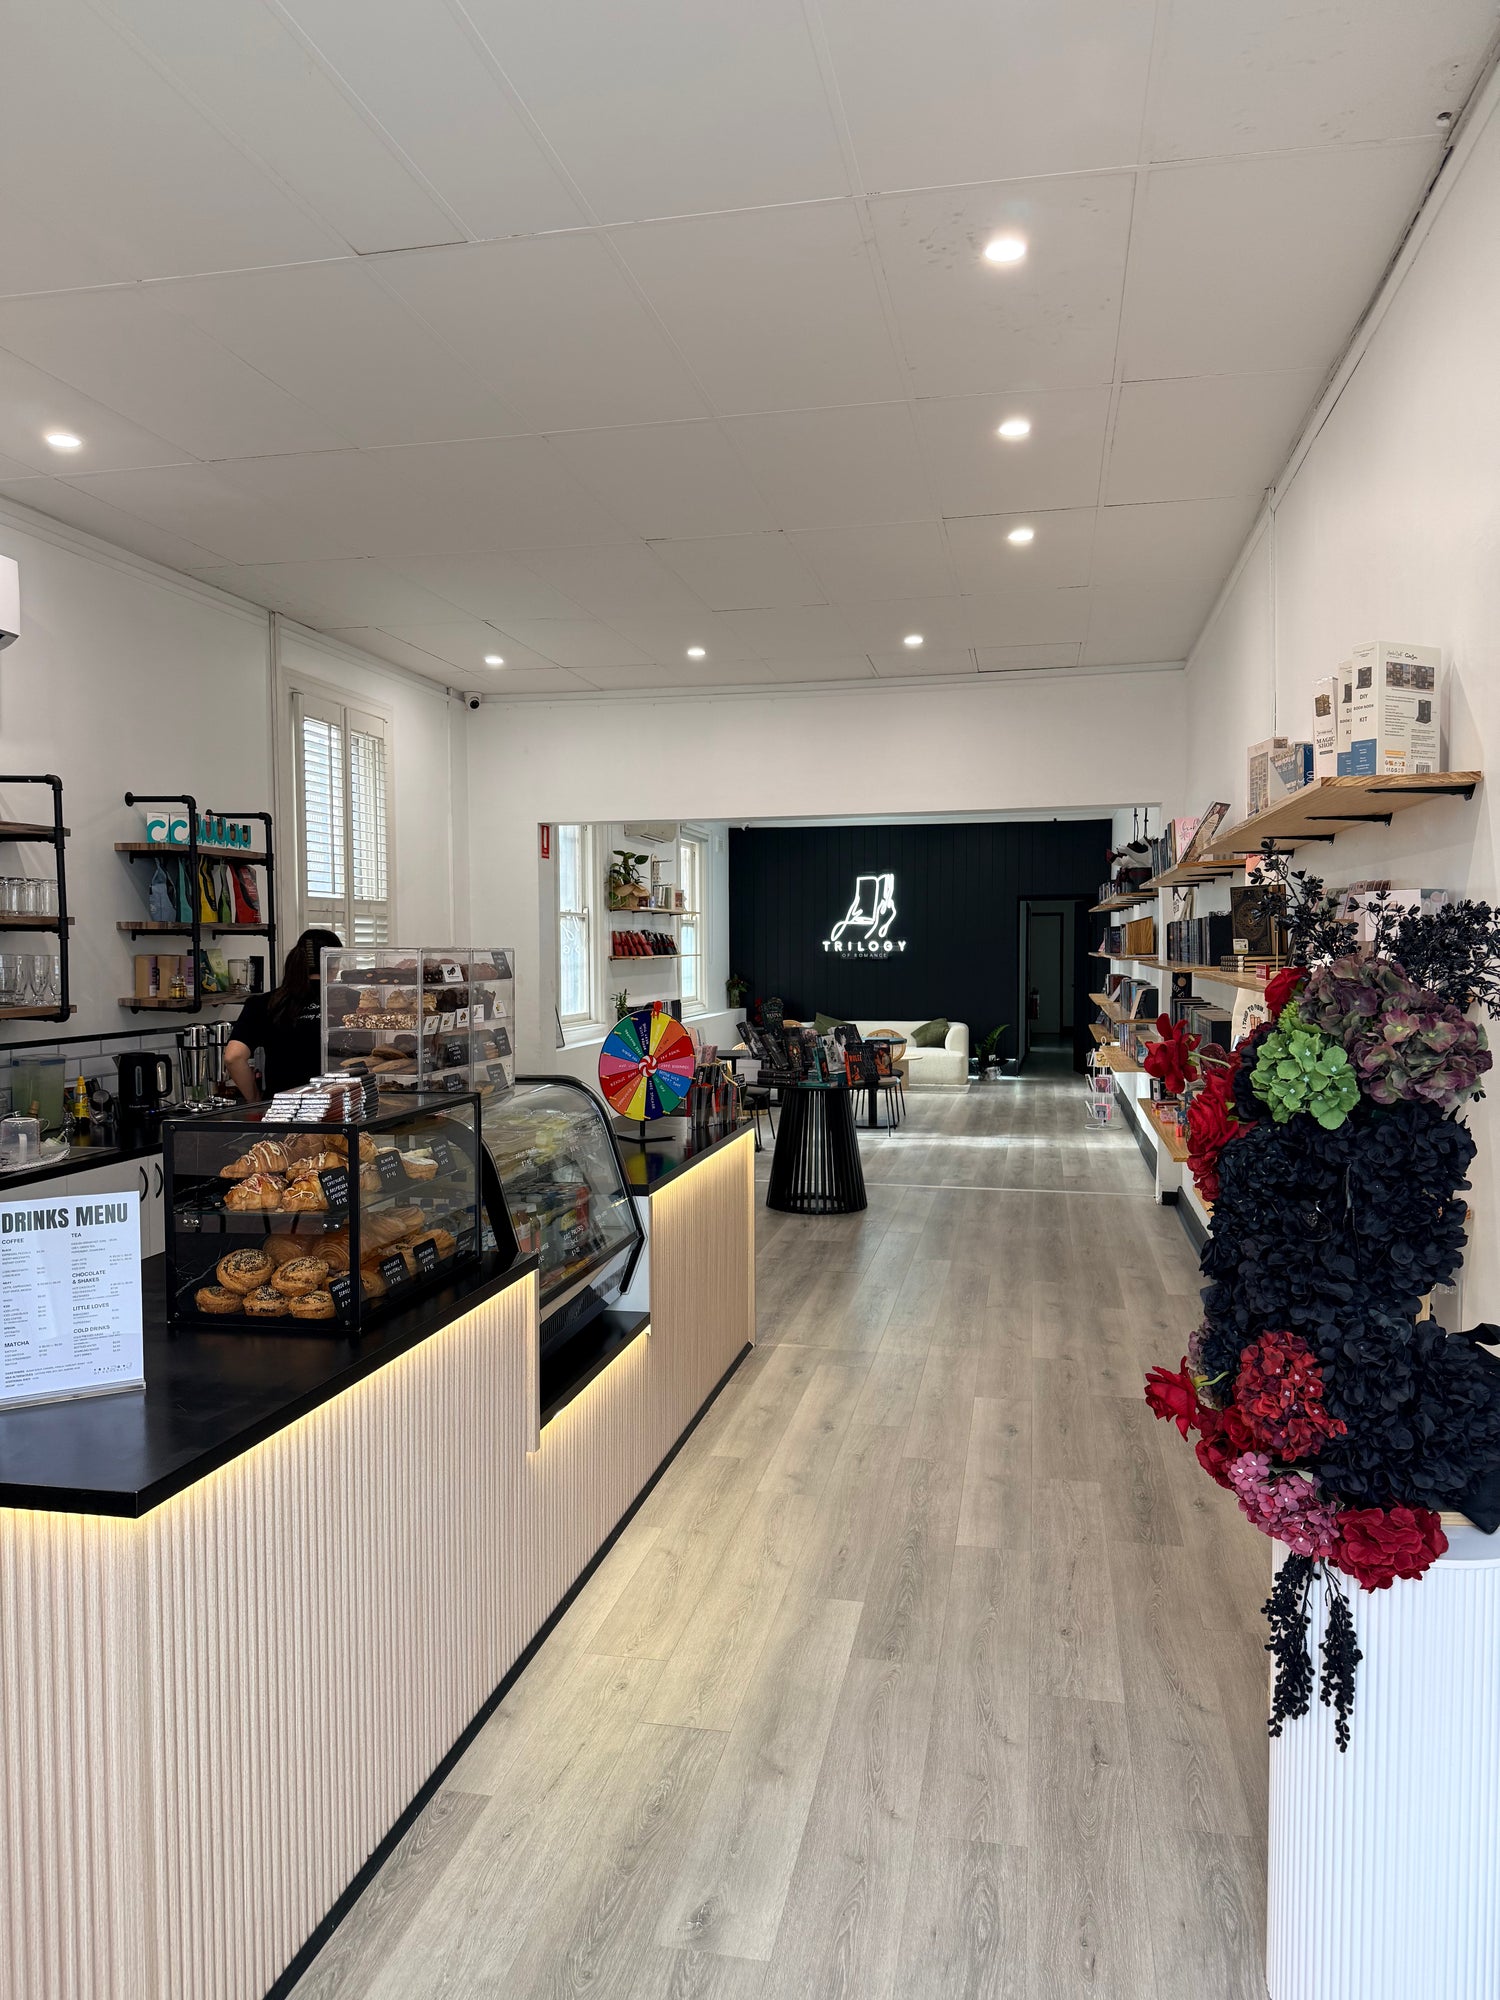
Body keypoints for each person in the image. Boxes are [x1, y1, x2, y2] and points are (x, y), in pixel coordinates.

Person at [224, 928, 342, 1102]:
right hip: (340, 1105)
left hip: (283, 1109)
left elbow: (233, 1057)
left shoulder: (263, 1003)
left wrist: (255, 1100)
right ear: (334, 965)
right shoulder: (352, 1001)